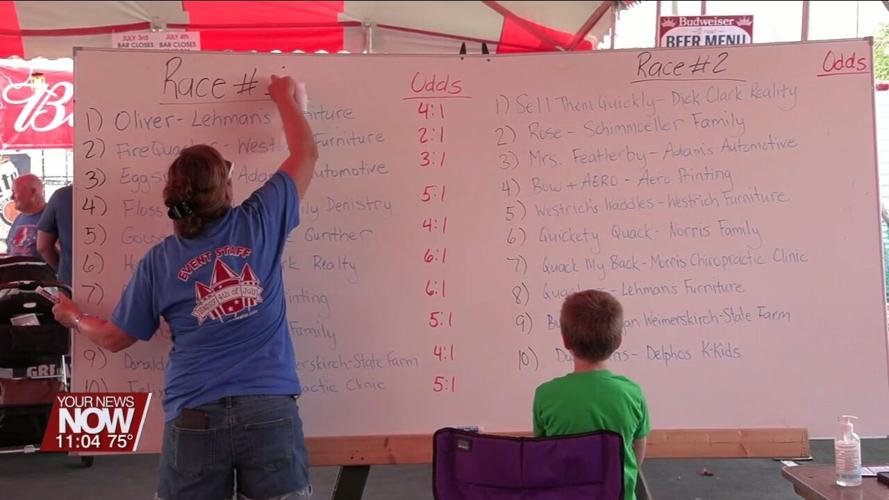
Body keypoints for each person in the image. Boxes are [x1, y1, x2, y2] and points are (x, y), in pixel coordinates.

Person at [52, 74, 317, 500]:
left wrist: (74, 316)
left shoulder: (160, 261)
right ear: (227, 188)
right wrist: (284, 97)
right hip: (269, 407)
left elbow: (116, 338)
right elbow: (305, 151)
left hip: (195, 414)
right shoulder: (259, 221)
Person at [533, 289, 650, 500]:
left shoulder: (545, 395)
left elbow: (543, 455)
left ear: (565, 340)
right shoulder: (632, 394)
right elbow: (636, 455)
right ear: (618, 341)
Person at [37, 184, 73, 285]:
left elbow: (43, 246)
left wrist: (62, 269)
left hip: (70, 284)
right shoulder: (120, 192)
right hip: (118, 286)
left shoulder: (62, 196)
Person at [6, 174, 46, 257]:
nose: (12, 197)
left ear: (33, 191)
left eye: (14, 192)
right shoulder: (18, 219)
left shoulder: (54, 216)